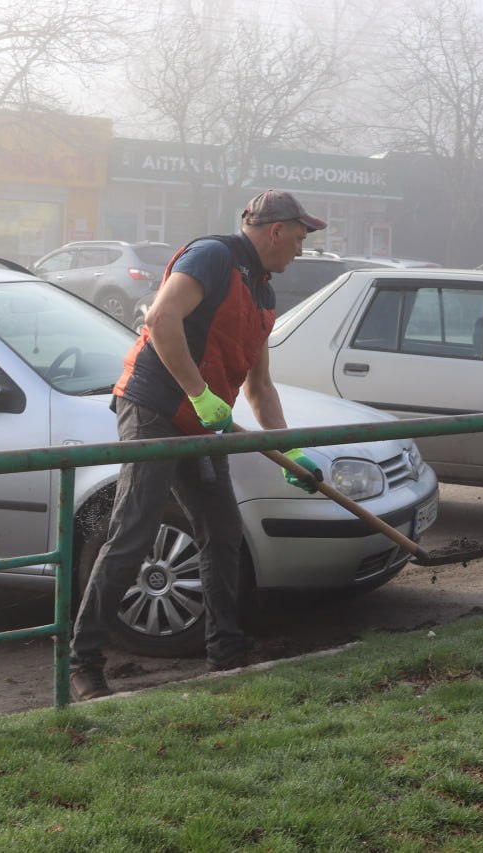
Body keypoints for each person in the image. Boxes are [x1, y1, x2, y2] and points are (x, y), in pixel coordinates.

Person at [68, 189, 327, 701]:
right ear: (275, 231)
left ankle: (226, 650)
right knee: (134, 530)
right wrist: (197, 394)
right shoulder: (212, 256)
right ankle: (84, 660)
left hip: (202, 419)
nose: (300, 250)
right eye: (298, 238)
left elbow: (260, 385)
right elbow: (161, 320)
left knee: (222, 532)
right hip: (155, 408)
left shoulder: (264, 293)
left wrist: (288, 451)